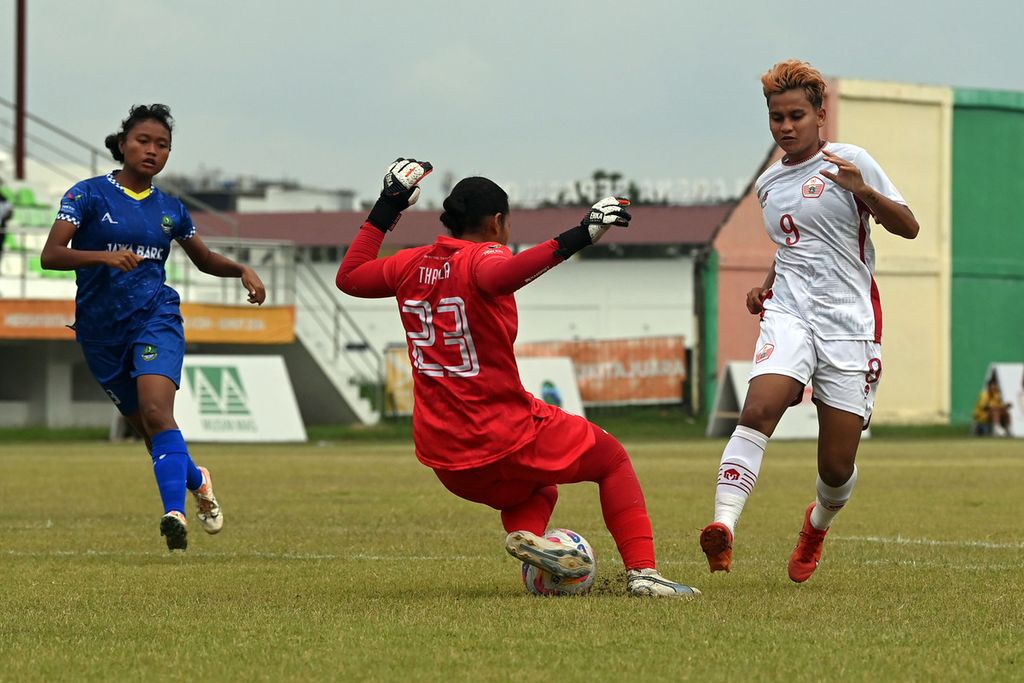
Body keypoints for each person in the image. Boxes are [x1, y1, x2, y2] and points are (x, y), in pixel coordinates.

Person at [337, 159, 700, 598]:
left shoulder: (410, 264)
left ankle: (528, 539)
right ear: (496, 222)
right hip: (501, 431)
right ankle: (644, 573)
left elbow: (350, 277)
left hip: (444, 454)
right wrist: (580, 234)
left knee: (535, 488)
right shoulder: (483, 256)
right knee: (612, 459)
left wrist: (389, 203)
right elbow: (499, 273)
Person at [698, 60, 920, 583]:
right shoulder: (769, 183)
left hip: (849, 321)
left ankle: (816, 525)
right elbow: (793, 246)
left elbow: (908, 227)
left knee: (836, 467)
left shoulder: (852, 161)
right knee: (758, 407)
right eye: (776, 117)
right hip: (790, 312)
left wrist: (862, 190)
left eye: (796, 115)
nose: (785, 126)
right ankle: (722, 526)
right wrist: (766, 284)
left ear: (821, 114)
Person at [40, 104, 266, 551]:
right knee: (149, 429)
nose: (152, 151)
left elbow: (202, 258)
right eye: (143, 141)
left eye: (162, 145)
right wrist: (101, 256)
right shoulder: (86, 195)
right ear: (123, 144)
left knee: (159, 414)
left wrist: (241, 269)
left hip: (155, 319)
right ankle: (198, 480)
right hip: (101, 331)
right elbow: (50, 255)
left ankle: (174, 515)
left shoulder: (170, 209)